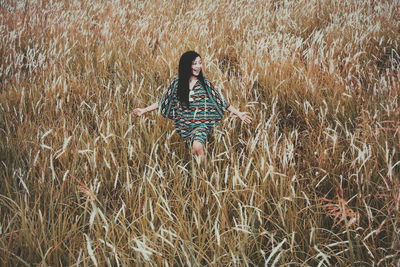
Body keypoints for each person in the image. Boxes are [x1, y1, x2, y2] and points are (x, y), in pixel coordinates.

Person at [133, 51, 252, 162]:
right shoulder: (177, 83)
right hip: (184, 125)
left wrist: (239, 113)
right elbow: (163, 101)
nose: (198, 66)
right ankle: (201, 171)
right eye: (194, 63)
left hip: (201, 124)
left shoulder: (204, 83)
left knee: (198, 147)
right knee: (193, 151)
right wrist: (144, 110)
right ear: (186, 65)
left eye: (200, 63)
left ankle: (204, 173)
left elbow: (221, 101)